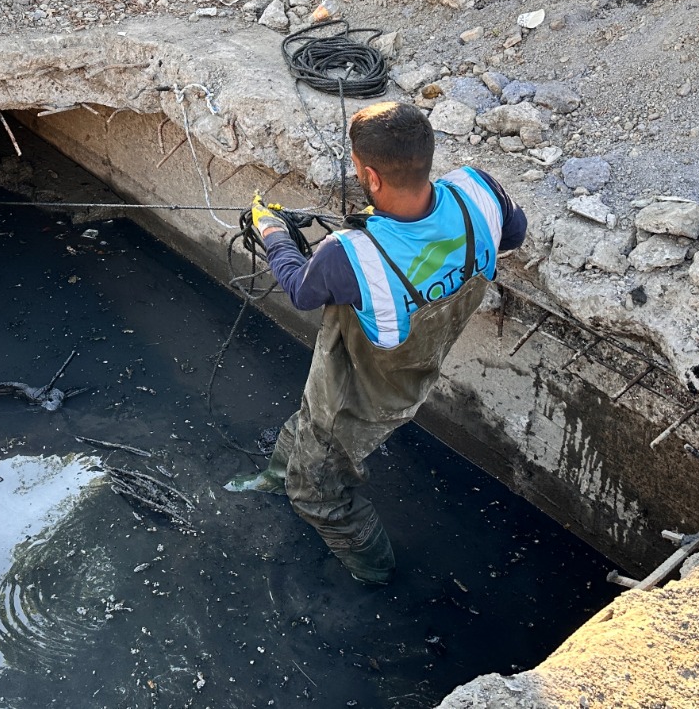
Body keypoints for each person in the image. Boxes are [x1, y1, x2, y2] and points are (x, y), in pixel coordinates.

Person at [224, 101, 527, 583]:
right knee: (308, 424)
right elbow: (513, 233)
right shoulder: (481, 191)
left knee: (318, 493)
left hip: (360, 398)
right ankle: (275, 476)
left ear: (372, 177)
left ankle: (377, 576)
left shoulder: (350, 255)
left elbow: (301, 289)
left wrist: (273, 232)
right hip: (414, 374)